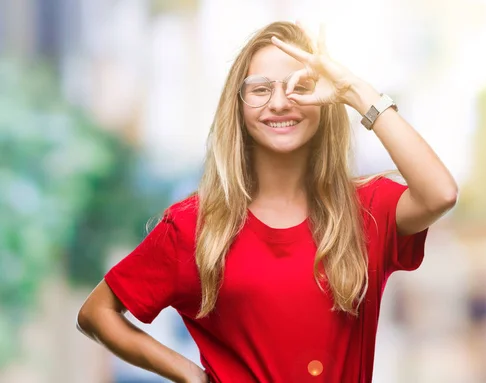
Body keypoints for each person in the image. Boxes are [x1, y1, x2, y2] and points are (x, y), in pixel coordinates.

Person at [76, 21, 458, 383]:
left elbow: (440, 194)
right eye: (260, 89)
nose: (279, 103)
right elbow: (97, 313)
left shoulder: (366, 211)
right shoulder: (195, 226)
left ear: (324, 100)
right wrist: (187, 373)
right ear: (238, 107)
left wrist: (356, 92)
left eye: (298, 87)